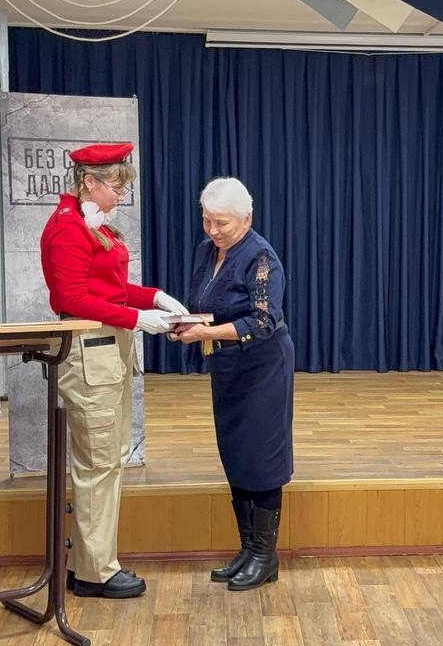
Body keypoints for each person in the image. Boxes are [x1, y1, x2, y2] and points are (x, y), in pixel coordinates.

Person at [39, 142, 185, 599]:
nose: (121, 196)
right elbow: (72, 299)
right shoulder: (67, 227)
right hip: (89, 351)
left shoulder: (90, 223)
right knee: (98, 463)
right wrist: (139, 318)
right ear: (89, 182)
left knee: (108, 459)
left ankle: (91, 561)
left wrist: (154, 296)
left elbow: (112, 289)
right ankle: (95, 572)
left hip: (107, 348)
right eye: (117, 187)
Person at [170, 177, 294, 591]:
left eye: (221, 223)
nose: (212, 230)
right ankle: (247, 548)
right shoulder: (206, 250)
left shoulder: (261, 257)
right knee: (236, 453)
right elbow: (204, 304)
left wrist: (205, 334)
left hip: (262, 366)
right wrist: (184, 323)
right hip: (226, 366)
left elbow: (263, 321)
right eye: (207, 220)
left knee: (262, 456)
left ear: (247, 219)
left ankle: (265, 556)